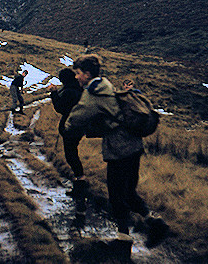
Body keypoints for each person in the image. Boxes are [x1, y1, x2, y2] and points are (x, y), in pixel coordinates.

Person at [64, 54, 167, 247]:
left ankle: (126, 237)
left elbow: (77, 118)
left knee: (116, 193)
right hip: (133, 145)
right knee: (127, 191)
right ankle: (152, 221)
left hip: (119, 149)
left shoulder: (93, 93)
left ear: (86, 74)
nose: (76, 77)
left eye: (78, 74)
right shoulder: (105, 83)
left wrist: (67, 128)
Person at [49, 68, 85, 200]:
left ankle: (80, 185)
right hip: (78, 126)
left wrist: (53, 94)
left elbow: (60, 108)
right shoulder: (78, 89)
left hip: (70, 127)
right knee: (72, 154)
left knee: (71, 156)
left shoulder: (69, 91)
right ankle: (79, 185)